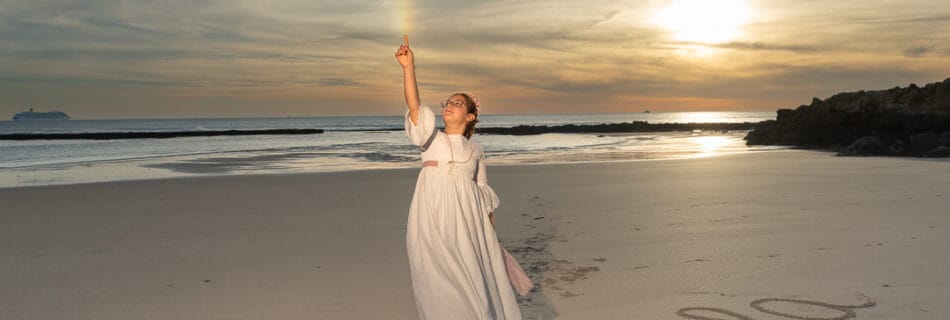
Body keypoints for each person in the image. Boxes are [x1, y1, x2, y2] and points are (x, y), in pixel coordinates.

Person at [395, 34, 530, 320]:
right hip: (432, 218)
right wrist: (409, 67)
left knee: (473, 282)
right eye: (449, 101)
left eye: (458, 103)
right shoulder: (430, 139)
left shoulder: (476, 151)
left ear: (470, 117)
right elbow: (416, 107)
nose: (450, 105)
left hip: (469, 225)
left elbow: (483, 194)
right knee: (439, 283)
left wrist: (490, 238)